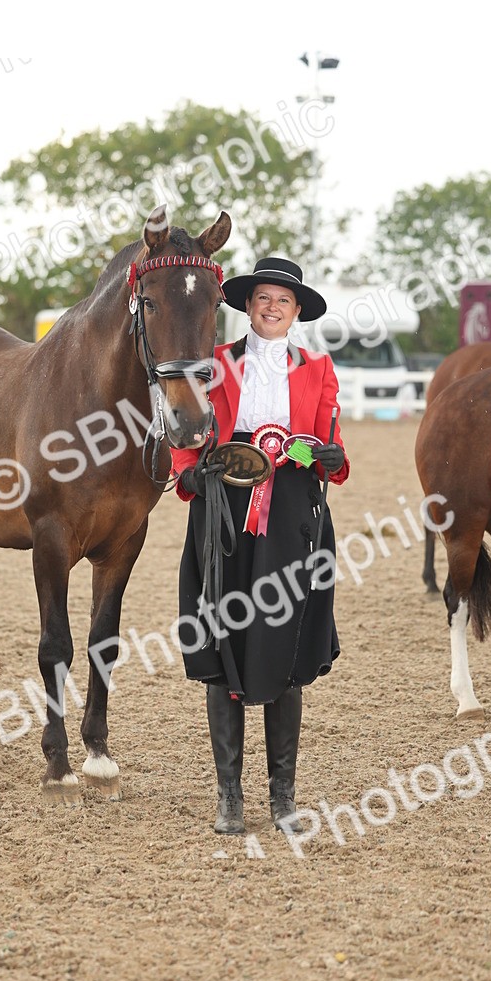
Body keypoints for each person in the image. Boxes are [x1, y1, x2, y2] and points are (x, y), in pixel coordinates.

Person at [171, 256, 349, 835]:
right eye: (263, 299)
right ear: (247, 306)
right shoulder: (215, 367)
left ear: (297, 313)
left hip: (294, 514)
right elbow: (187, 434)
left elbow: (335, 450)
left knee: (285, 646)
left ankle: (283, 797)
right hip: (225, 511)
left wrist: (329, 457)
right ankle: (230, 797)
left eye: (284, 301)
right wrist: (189, 473)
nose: (272, 308)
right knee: (225, 641)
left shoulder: (319, 369)